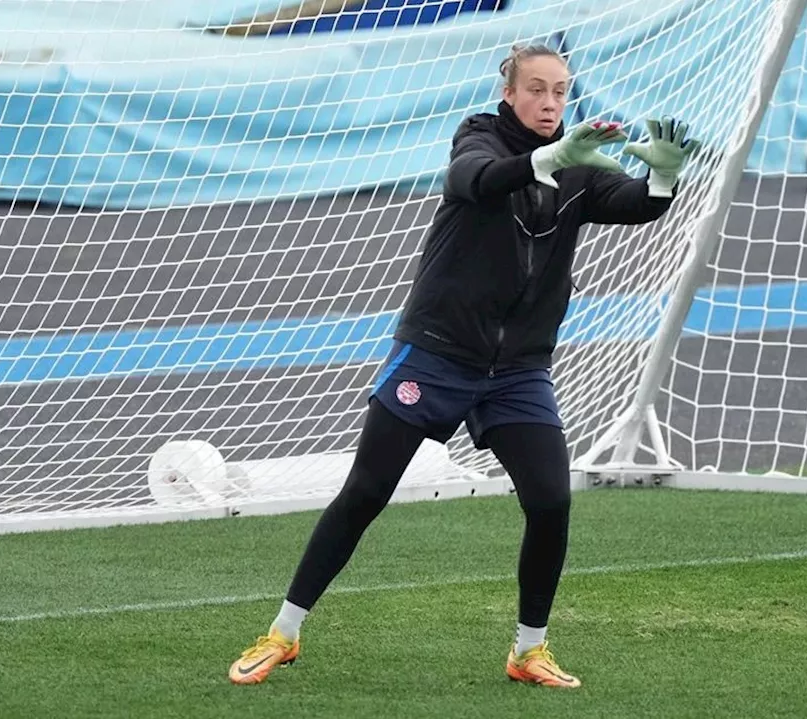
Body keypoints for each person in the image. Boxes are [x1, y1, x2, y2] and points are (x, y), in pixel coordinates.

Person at [228, 42, 698, 689]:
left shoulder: (580, 164)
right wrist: (549, 157)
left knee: (551, 498)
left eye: (560, 91)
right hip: (439, 350)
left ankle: (528, 649)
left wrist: (664, 178)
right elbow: (474, 180)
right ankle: (283, 632)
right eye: (537, 88)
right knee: (367, 490)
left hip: (517, 371)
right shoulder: (479, 136)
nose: (550, 102)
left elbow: (635, 202)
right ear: (509, 93)